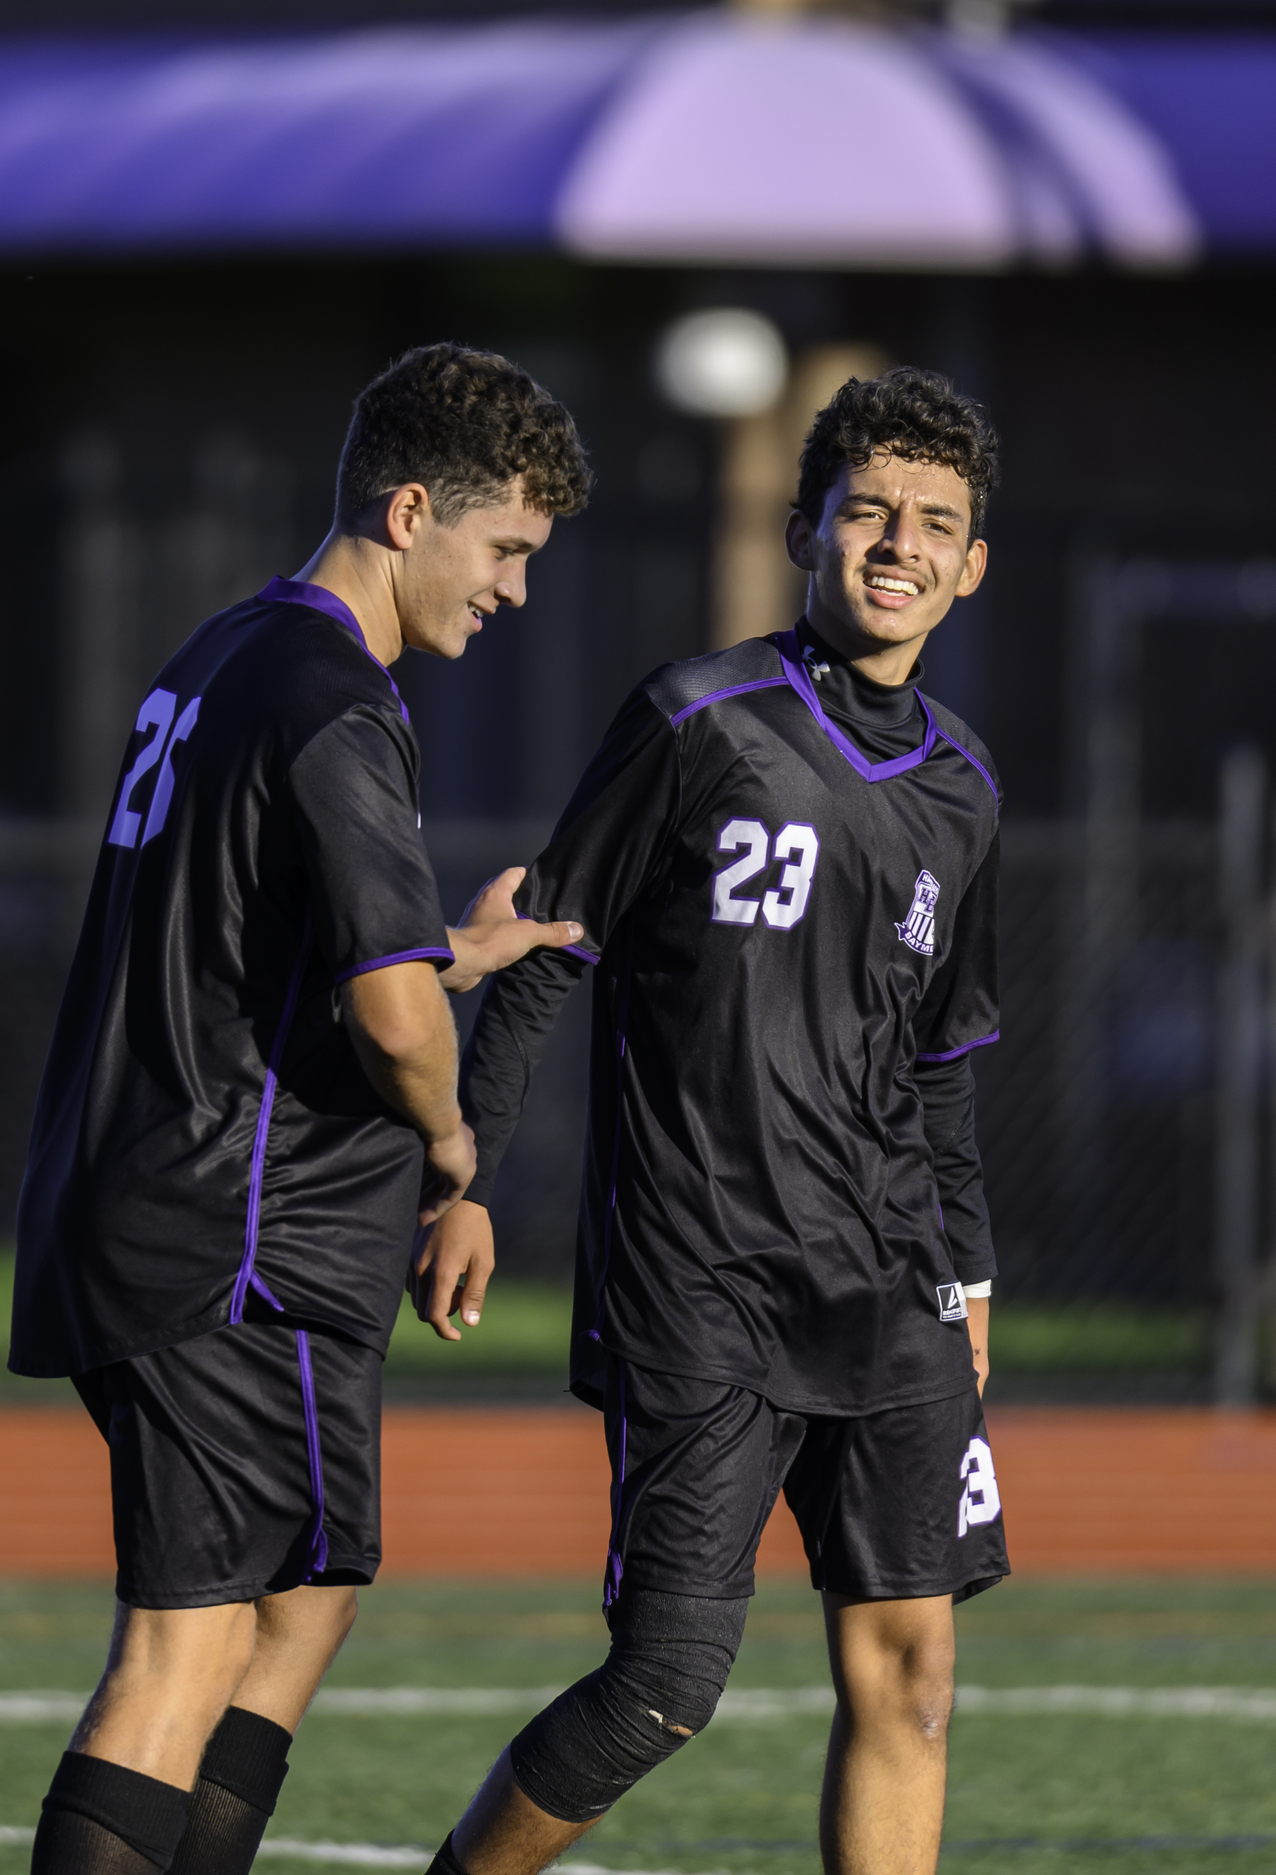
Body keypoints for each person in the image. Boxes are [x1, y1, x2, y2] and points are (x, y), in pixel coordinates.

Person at [414, 367, 1007, 1875]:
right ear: (806, 526)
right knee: (666, 1688)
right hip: (702, 1286)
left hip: (892, 1292)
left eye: (936, 522)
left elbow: (939, 1067)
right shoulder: (698, 715)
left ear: (972, 562)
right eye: (868, 508)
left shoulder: (967, 791)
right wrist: (466, 1168)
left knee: (914, 1681)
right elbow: (550, 946)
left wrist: (972, 1275)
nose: (899, 542)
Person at [9, 343, 591, 1875]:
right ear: (412, 512)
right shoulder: (342, 697)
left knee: (304, 1598)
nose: (516, 592)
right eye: (507, 551)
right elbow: (391, 1028)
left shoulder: (221, 657)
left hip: (162, 1204)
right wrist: (455, 1147)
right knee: (182, 1651)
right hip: (234, 1243)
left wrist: (453, 951)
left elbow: (289, 949)